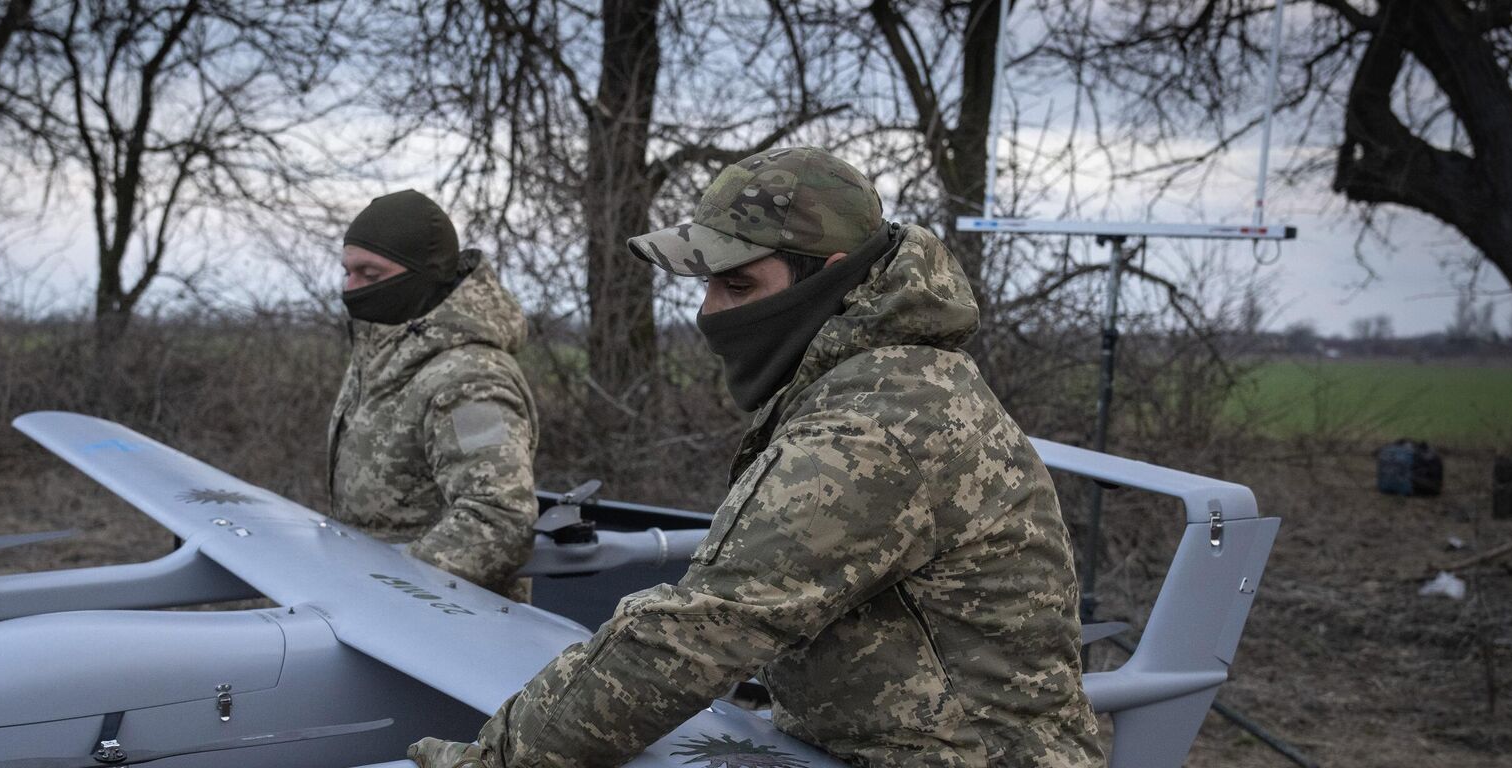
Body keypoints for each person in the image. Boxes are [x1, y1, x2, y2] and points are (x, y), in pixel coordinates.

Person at [407, 148, 1102, 767]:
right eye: (708, 283)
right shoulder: (868, 379)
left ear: (827, 278)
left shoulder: (878, 424)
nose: (711, 311)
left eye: (737, 286)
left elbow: (698, 630)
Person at [329, 189, 540, 601]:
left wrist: (386, 593)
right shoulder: (380, 355)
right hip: (374, 614)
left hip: (445, 625)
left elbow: (498, 518)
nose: (352, 290)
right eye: (347, 272)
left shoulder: (468, 377)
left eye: (370, 276)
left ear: (423, 275)